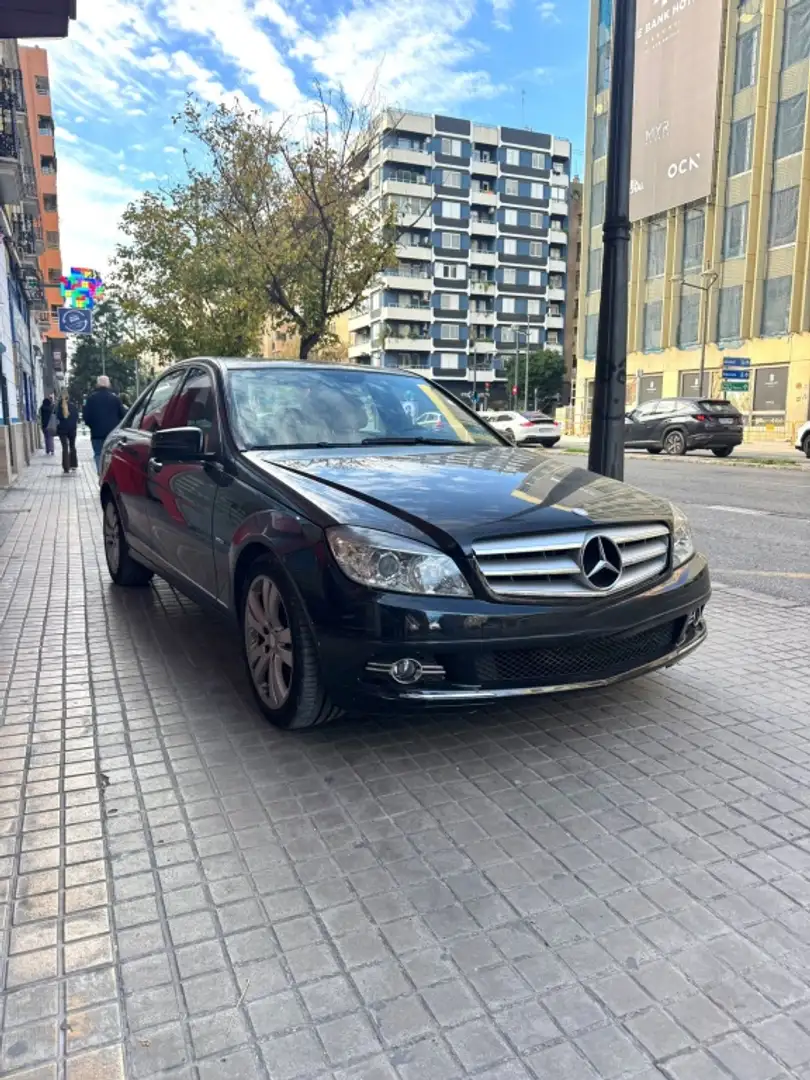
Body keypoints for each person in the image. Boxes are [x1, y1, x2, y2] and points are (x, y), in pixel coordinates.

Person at [82, 375, 126, 473]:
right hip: (112, 433)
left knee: (98, 454)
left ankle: (100, 473)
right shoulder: (115, 399)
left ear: (97, 384)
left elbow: (86, 417)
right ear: (108, 384)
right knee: (112, 454)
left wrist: (92, 426)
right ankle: (110, 474)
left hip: (96, 433)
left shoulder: (91, 399)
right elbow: (123, 415)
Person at [55, 390, 79, 474]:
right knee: (72, 446)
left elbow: (57, 417)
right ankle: (74, 465)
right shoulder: (73, 406)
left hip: (62, 430)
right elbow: (76, 418)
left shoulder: (59, 407)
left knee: (65, 448)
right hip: (72, 429)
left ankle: (66, 467)